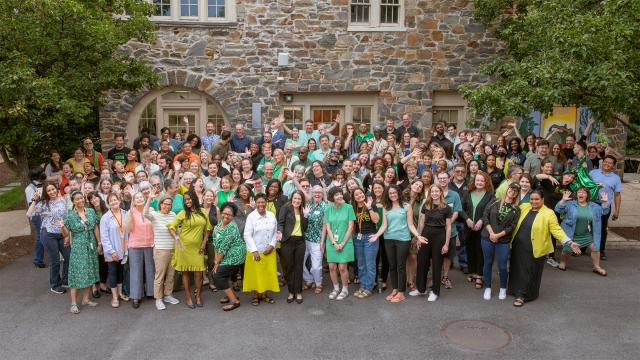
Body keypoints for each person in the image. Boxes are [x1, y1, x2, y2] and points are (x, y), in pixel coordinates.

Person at [509, 190, 580, 307]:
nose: (533, 201)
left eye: (537, 199)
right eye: (532, 199)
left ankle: (522, 295)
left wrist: (569, 242)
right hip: (518, 246)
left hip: (535, 248)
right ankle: (514, 290)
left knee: (529, 271)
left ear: (542, 199)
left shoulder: (549, 213)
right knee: (517, 269)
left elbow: (556, 230)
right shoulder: (524, 207)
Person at [369, 184, 422, 303]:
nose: (392, 195)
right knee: (392, 266)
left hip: (403, 239)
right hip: (389, 239)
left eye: (394, 192)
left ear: (399, 193)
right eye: (390, 193)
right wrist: (377, 235)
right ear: (387, 195)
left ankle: (402, 292)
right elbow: (384, 225)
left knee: (400, 266)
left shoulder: (406, 206)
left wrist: (418, 236)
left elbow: (410, 224)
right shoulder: (385, 207)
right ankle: (395, 289)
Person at [167, 190, 213, 309]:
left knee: (199, 273)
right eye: (185, 200)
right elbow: (171, 227)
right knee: (185, 272)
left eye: (189, 199)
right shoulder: (183, 213)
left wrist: (204, 243)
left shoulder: (202, 212)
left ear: (194, 199)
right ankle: (188, 297)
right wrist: (177, 239)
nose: (187, 201)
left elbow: (208, 229)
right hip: (184, 248)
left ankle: (198, 296)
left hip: (198, 248)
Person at [61, 191, 101, 314]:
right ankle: (73, 303)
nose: (80, 201)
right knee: (77, 274)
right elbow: (66, 234)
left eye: (81, 198)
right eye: (77, 199)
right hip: (79, 247)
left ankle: (85, 299)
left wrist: (99, 243)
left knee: (90, 271)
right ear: (73, 201)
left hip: (91, 245)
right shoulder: (70, 216)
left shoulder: (90, 211)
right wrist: (62, 227)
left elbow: (95, 227)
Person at [481, 182, 521, 301]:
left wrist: (498, 235)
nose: (512, 191)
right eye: (511, 189)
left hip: (503, 240)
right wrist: (492, 233)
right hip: (487, 237)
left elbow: (512, 226)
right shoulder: (494, 201)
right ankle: (488, 287)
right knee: (487, 263)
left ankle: (503, 287)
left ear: (516, 195)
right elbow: (485, 216)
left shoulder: (516, 209)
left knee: (502, 266)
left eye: (515, 191)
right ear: (507, 189)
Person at [26, 182, 69, 293]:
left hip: (61, 233)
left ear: (57, 189)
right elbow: (29, 214)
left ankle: (65, 280)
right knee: (55, 261)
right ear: (46, 192)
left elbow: (66, 218)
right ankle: (55, 285)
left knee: (69, 257)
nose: (52, 192)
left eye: (53, 189)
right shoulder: (43, 203)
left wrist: (66, 235)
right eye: (49, 190)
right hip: (48, 234)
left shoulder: (63, 200)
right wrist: (34, 200)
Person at [555, 188, 609, 275]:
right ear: (576, 195)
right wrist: (563, 200)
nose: (581, 194)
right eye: (579, 192)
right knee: (567, 249)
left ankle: (596, 267)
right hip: (571, 233)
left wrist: (605, 202)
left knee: (595, 248)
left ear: (587, 195)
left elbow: (604, 211)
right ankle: (563, 262)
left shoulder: (593, 206)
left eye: (583, 192)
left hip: (585, 234)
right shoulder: (570, 204)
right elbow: (558, 209)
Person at [415, 184, 452, 302]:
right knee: (422, 262)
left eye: (437, 191)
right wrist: (418, 237)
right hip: (426, 234)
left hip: (439, 236)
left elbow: (449, 227)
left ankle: (435, 291)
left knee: (437, 264)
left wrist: (446, 244)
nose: (434, 193)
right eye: (432, 191)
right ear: (430, 193)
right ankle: (421, 289)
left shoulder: (446, 207)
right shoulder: (426, 205)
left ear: (441, 192)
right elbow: (421, 222)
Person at [144, 191, 180, 310]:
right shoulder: (154, 215)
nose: (167, 206)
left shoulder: (173, 215)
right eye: (165, 203)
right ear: (160, 204)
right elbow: (144, 214)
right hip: (160, 250)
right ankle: (158, 299)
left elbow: (177, 230)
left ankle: (168, 295)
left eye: (169, 204)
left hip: (173, 249)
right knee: (160, 276)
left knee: (171, 274)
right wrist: (149, 198)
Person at [460, 171, 495, 290]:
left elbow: (489, 212)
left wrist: (481, 221)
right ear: (474, 182)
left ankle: (480, 276)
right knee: (470, 250)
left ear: (486, 182)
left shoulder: (490, 195)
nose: (479, 182)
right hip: (469, 228)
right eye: (477, 180)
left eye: (482, 180)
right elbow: (461, 209)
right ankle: (473, 272)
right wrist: (467, 219)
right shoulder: (468, 193)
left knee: (481, 252)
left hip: (483, 229)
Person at [243, 194, 280, 305]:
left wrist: (272, 245)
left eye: (263, 202)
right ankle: (255, 295)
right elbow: (247, 235)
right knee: (255, 274)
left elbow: (275, 232)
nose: (261, 205)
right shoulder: (251, 216)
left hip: (269, 250)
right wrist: (254, 251)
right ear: (255, 203)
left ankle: (264, 294)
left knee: (268, 273)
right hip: (255, 251)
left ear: (266, 203)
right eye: (258, 202)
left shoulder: (271, 215)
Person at [212, 202, 246, 311]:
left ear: (233, 216)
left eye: (229, 215)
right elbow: (216, 244)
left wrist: (217, 263)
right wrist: (216, 260)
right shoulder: (218, 226)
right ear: (221, 213)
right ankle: (231, 294)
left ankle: (235, 301)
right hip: (225, 254)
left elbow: (223, 247)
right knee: (222, 274)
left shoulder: (231, 228)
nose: (226, 216)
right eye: (224, 213)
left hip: (236, 254)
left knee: (218, 275)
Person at [324, 187, 357, 301]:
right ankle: (336, 288)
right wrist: (333, 243)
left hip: (345, 241)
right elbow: (328, 227)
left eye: (340, 194)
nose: (339, 196)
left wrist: (342, 243)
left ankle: (345, 289)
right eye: (336, 195)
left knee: (342, 267)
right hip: (331, 241)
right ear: (331, 197)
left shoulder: (349, 207)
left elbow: (351, 227)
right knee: (332, 267)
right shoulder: (328, 209)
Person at [124, 192, 155, 309]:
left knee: (151, 270)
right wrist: (130, 214)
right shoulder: (130, 212)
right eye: (136, 198)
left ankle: (151, 292)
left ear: (145, 198)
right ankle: (136, 296)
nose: (139, 199)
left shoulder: (151, 210)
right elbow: (127, 228)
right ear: (133, 200)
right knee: (136, 271)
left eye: (141, 197)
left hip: (150, 244)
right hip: (135, 245)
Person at [277, 191, 309, 304]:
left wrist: (305, 216)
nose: (297, 201)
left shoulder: (303, 210)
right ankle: (291, 292)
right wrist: (279, 232)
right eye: (295, 198)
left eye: (299, 199)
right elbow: (280, 223)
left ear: (302, 200)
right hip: (287, 241)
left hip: (300, 242)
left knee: (299, 267)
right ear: (292, 198)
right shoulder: (285, 208)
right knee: (289, 267)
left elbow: (305, 228)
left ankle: (298, 292)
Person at [99, 193, 130, 307]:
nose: (113, 202)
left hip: (123, 248)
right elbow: (104, 237)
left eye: (115, 199)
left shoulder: (125, 214)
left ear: (119, 200)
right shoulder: (105, 218)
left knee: (121, 272)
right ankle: (115, 297)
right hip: (112, 249)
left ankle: (120, 293)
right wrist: (112, 251)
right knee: (112, 272)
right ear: (108, 203)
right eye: (111, 201)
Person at [588, 155, 621, 260]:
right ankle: (582, 247)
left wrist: (617, 211)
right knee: (585, 226)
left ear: (613, 166)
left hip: (604, 206)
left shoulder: (616, 178)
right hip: (590, 203)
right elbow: (585, 185)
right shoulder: (593, 173)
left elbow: (617, 195)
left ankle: (600, 250)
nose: (607, 164)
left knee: (602, 229)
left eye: (610, 163)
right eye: (605, 162)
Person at [351, 187, 380, 299]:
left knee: (370, 264)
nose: (359, 195)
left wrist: (370, 208)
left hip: (370, 237)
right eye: (356, 194)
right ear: (354, 197)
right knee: (361, 264)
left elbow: (376, 220)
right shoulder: (353, 208)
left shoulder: (371, 205)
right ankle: (363, 286)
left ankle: (369, 287)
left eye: (360, 193)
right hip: (358, 238)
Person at [303, 185, 327, 293]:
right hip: (305, 239)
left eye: (319, 192)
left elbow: (325, 226)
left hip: (317, 240)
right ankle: (308, 280)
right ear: (311, 193)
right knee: (300, 262)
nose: (317, 194)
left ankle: (318, 283)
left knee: (316, 266)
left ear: (322, 194)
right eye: (315, 192)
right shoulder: (307, 204)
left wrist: (322, 242)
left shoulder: (325, 207)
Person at [25, 168, 47, 268]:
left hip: (43, 214)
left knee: (42, 236)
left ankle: (39, 259)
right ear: (38, 175)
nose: (44, 173)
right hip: (37, 216)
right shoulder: (30, 188)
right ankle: (38, 260)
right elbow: (32, 204)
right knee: (40, 237)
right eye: (42, 172)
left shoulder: (41, 184)